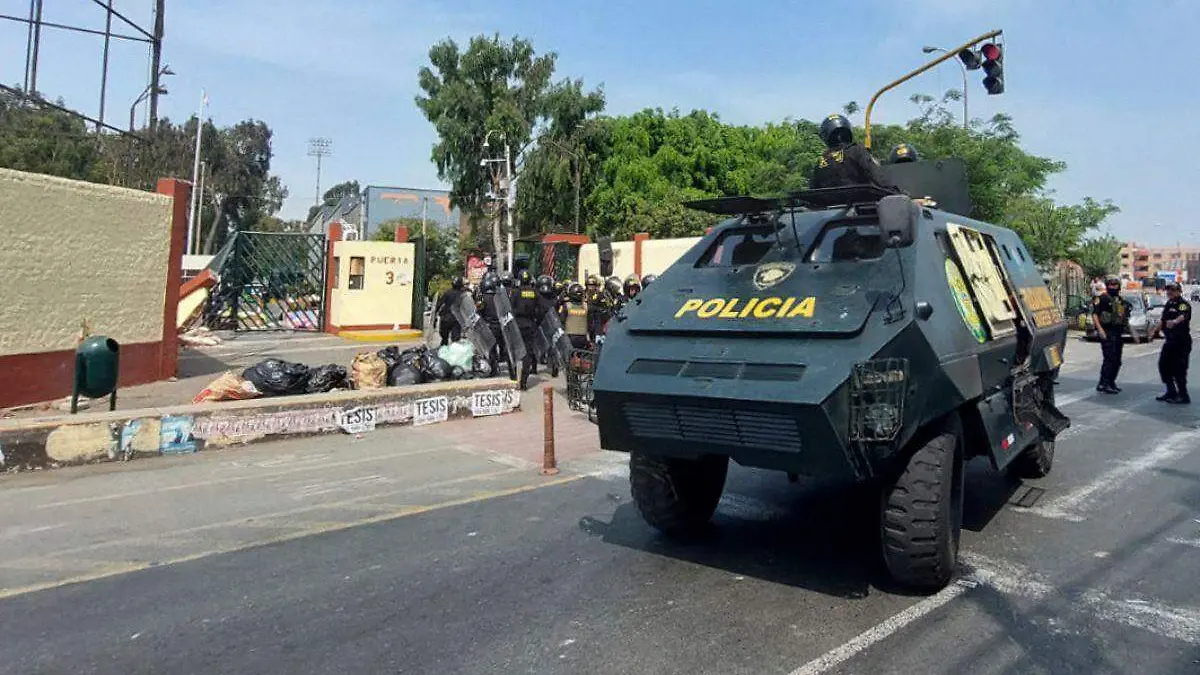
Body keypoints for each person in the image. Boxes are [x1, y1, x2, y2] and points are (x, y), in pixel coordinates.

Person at [809, 114, 892, 190]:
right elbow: (875, 174)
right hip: (860, 201)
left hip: (829, 204)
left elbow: (813, 188)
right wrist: (893, 190)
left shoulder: (822, 161)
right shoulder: (856, 150)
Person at [1154, 282, 1192, 403]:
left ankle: (1183, 395)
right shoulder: (1169, 303)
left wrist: (1175, 321)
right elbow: (1163, 319)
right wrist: (1155, 331)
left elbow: (1183, 315)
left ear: (1179, 291)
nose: (1170, 292)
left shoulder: (1183, 304)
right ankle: (1171, 392)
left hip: (1181, 341)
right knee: (1164, 366)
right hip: (1170, 341)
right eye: (1168, 290)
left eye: (1173, 290)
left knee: (1179, 369)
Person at [1092, 276, 1131, 394]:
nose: (1113, 287)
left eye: (1115, 285)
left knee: (1117, 360)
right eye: (1110, 285)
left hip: (1118, 332)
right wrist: (1100, 330)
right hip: (1107, 331)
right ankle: (1105, 383)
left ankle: (1110, 382)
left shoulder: (1120, 300)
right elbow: (1095, 315)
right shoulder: (1102, 298)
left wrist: (1131, 331)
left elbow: (1123, 317)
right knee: (1109, 359)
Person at [510, 269, 543, 389]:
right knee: (527, 355)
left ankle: (512, 379)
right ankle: (523, 382)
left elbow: (509, 309)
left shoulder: (515, 292)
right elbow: (540, 310)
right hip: (530, 325)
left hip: (517, 326)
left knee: (513, 352)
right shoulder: (535, 292)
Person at [477, 272, 508, 378]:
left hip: (489, 327)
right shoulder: (500, 297)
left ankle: (494, 369)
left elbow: (479, 313)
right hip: (501, 326)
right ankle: (511, 368)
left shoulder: (483, 299)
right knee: (504, 347)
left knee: (491, 349)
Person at [433, 277, 465, 347]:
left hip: (445, 319)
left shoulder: (447, 292)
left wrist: (435, 315)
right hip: (456, 320)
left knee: (444, 339)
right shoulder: (463, 294)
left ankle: (442, 352)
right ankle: (453, 354)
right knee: (455, 341)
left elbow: (439, 304)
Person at [561, 282, 590, 349]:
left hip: (569, 337)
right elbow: (590, 322)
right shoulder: (586, 306)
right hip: (583, 337)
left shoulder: (567, 305)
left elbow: (561, 320)